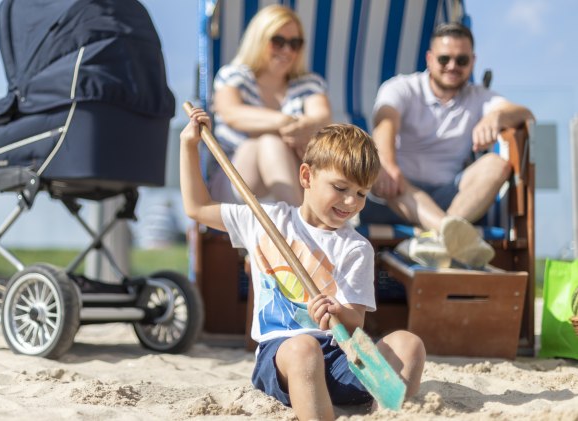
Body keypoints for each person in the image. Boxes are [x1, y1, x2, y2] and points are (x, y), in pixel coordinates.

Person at [181, 107, 426, 421]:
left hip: (341, 358)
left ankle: (384, 414)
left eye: (361, 193)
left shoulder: (355, 247)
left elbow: (355, 322)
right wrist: (189, 145)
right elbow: (198, 207)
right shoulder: (266, 220)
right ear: (307, 176)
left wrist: (338, 312)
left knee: (409, 344)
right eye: (340, 188)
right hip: (284, 356)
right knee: (304, 349)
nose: (351, 202)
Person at [361, 22, 534, 268]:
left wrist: (497, 117)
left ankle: (436, 239)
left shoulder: (479, 97)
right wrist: (386, 163)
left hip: (449, 197)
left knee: (496, 164)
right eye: (444, 59)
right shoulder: (402, 87)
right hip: (396, 193)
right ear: (430, 59)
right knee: (385, 172)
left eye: (461, 60)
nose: (452, 66)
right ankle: (451, 234)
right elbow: (385, 123)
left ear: (472, 62)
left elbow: (526, 114)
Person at [208, 4, 332, 207]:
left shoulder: (309, 83)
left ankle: (297, 226)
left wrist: (302, 128)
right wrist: (285, 123)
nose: (287, 50)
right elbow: (232, 113)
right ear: (258, 39)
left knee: (272, 142)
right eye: (278, 41)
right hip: (236, 181)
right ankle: (302, 227)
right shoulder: (233, 76)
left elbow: (322, 119)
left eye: (295, 43)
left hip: (292, 177)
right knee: (269, 141)